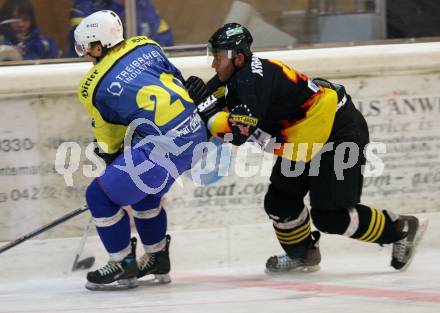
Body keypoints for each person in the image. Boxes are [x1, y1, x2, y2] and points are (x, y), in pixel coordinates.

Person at [184, 23, 428, 274]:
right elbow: (216, 101)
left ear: (239, 57)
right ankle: (303, 255)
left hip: (337, 134)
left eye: (217, 57)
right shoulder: (240, 75)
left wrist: (206, 107)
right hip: (305, 140)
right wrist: (200, 99)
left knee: (331, 216)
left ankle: (401, 229)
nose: (213, 65)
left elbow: (237, 133)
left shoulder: (250, 82)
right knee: (280, 202)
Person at [74, 10, 206, 290]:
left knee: (98, 196)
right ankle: (157, 258)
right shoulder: (147, 45)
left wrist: (110, 154)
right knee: (146, 193)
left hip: (162, 149)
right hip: (195, 135)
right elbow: (175, 79)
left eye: (87, 47)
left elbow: (109, 134)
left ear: (99, 45)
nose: (86, 54)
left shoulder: (92, 85)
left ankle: (123, 263)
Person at [68, 0, 173, 56]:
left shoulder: (142, 4)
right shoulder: (86, 6)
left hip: (138, 69)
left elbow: (165, 39)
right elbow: (84, 45)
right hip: (97, 72)